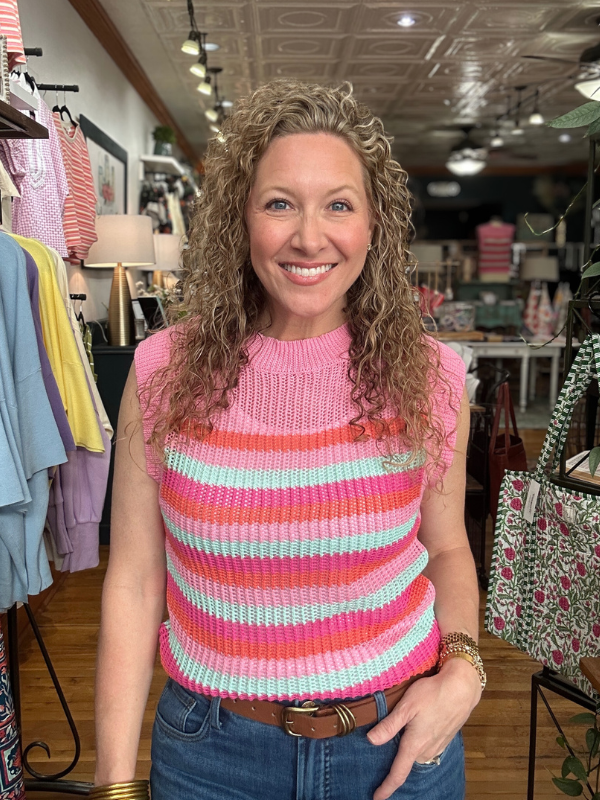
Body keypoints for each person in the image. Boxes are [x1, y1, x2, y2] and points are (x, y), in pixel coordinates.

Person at [94, 79, 483, 800]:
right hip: (212, 758)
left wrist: (463, 669)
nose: (310, 236)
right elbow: (136, 580)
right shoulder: (162, 373)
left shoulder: (432, 376)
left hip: (398, 747)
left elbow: (449, 548)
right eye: (280, 203)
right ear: (241, 221)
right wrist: (113, 784)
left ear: (374, 226)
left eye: (339, 204)